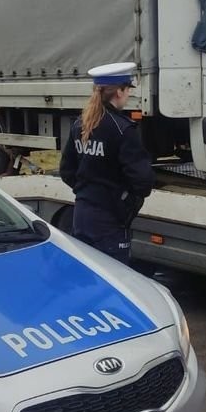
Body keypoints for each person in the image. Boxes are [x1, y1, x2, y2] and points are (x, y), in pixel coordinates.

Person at [59, 62, 155, 265]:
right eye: (127, 89)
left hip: (81, 215)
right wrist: (124, 201)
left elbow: (67, 170)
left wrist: (87, 191)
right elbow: (143, 181)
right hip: (110, 221)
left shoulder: (81, 124)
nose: (128, 94)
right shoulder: (123, 129)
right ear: (119, 91)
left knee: (88, 275)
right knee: (115, 276)